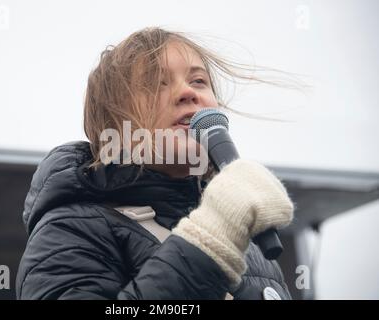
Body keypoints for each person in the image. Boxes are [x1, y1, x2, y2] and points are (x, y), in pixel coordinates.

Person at [15, 27, 294, 300]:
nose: (187, 92)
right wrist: (210, 244)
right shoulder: (69, 229)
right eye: (154, 84)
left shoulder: (249, 244)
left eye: (198, 81)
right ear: (113, 122)